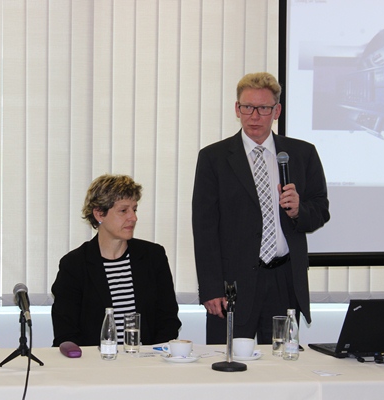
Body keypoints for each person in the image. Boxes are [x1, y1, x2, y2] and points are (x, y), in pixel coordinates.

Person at [192, 72, 330, 344]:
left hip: (284, 279)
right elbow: (204, 227)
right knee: (228, 362)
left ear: (276, 111)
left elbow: (320, 210)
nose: (254, 116)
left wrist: (298, 211)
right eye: (247, 107)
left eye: (264, 108)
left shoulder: (302, 154)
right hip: (232, 284)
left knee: (281, 362)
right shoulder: (213, 158)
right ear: (237, 109)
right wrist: (210, 288)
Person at [51, 174, 182, 347]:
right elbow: (66, 331)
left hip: (146, 359)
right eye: (123, 210)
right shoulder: (74, 265)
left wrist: (152, 355)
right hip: (94, 360)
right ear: (99, 214)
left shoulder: (153, 256)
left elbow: (168, 319)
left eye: (134, 209)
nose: (133, 217)